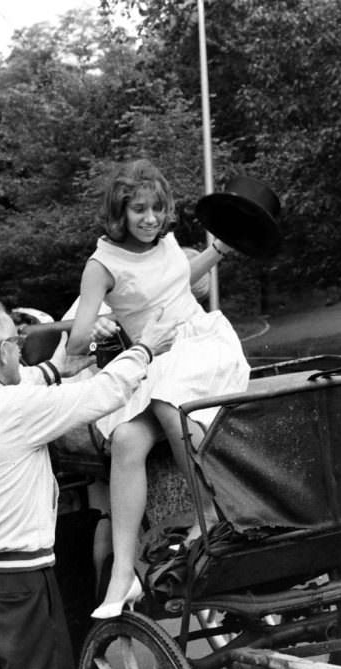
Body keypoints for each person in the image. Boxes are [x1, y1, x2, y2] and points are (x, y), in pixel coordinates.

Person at [0, 296, 176, 669]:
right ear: (5, 351)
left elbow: (16, 386)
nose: (21, 351)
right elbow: (104, 393)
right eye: (18, 344)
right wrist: (146, 348)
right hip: (15, 588)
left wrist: (56, 368)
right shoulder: (16, 410)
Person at [66, 159, 251, 619]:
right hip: (158, 358)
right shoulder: (102, 265)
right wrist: (98, 326)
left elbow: (176, 284)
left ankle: (213, 507)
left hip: (202, 345)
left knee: (170, 395)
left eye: (157, 209)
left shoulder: (168, 243)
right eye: (139, 210)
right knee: (126, 438)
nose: (150, 219)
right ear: (120, 212)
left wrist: (219, 252)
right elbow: (76, 340)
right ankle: (122, 574)